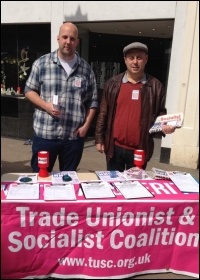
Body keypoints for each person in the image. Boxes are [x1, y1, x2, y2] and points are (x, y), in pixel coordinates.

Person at [24, 22, 98, 172]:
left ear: (77, 41)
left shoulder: (86, 69)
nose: (68, 42)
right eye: (65, 37)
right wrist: (46, 106)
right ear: (58, 38)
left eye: (72, 38)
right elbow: (28, 90)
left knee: (68, 181)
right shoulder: (41, 64)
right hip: (45, 134)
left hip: (73, 137)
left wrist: (86, 126)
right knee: (41, 178)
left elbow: (93, 101)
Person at [95, 42, 175, 171]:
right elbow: (103, 112)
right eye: (131, 58)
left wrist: (164, 126)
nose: (135, 62)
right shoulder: (112, 84)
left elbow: (160, 113)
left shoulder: (155, 86)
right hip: (114, 148)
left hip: (140, 149)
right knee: (115, 186)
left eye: (139, 57)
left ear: (146, 59)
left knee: (135, 188)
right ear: (125, 60)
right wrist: (99, 138)